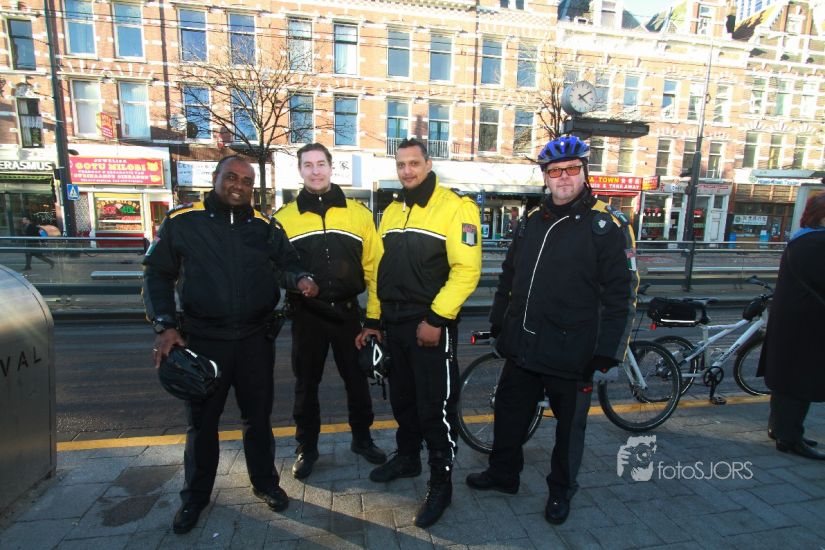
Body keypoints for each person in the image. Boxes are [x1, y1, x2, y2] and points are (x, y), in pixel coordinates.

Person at [465, 135, 638, 525]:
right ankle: (503, 474)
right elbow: (509, 276)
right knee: (508, 414)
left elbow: (622, 294)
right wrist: (499, 322)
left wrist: (607, 352)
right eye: (555, 171)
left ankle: (561, 491)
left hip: (573, 352)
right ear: (545, 177)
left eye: (571, 169)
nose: (563, 178)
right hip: (524, 345)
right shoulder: (531, 221)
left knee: (569, 430)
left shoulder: (606, 225)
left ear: (584, 172)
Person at [142, 155, 319, 534]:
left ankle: (265, 483)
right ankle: (195, 497)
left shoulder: (265, 227)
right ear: (215, 177)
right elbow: (157, 274)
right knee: (202, 424)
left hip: (255, 340)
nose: (238, 185)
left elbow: (287, 264)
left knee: (258, 419)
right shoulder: (182, 221)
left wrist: (301, 278)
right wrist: (164, 326)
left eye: (247, 181)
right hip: (204, 341)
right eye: (231, 177)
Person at [356, 138, 482, 528]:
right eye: (401, 164)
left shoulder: (456, 207)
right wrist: (373, 321)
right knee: (403, 401)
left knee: (435, 408)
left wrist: (437, 319)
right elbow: (378, 274)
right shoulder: (392, 211)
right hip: (394, 326)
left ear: (428, 164)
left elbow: (466, 271)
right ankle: (408, 458)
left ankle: (441, 483)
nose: (407, 170)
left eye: (414, 163)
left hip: (430, 325)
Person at [275, 143, 386, 480]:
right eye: (308, 165)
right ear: (300, 170)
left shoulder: (359, 214)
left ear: (331, 166)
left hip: (348, 315)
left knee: (357, 381)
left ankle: (362, 440)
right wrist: (295, 281)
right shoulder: (283, 219)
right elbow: (275, 268)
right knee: (306, 386)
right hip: (307, 316)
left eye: (320, 163)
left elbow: (376, 269)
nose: (315, 171)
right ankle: (306, 448)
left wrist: (374, 319)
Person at [758, 193, 825, 460]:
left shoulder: (801, 238)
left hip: (790, 319)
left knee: (786, 378)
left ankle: (780, 428)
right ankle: (790, 438)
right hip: (808, 322)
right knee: (801, 379)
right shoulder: (818, 242)